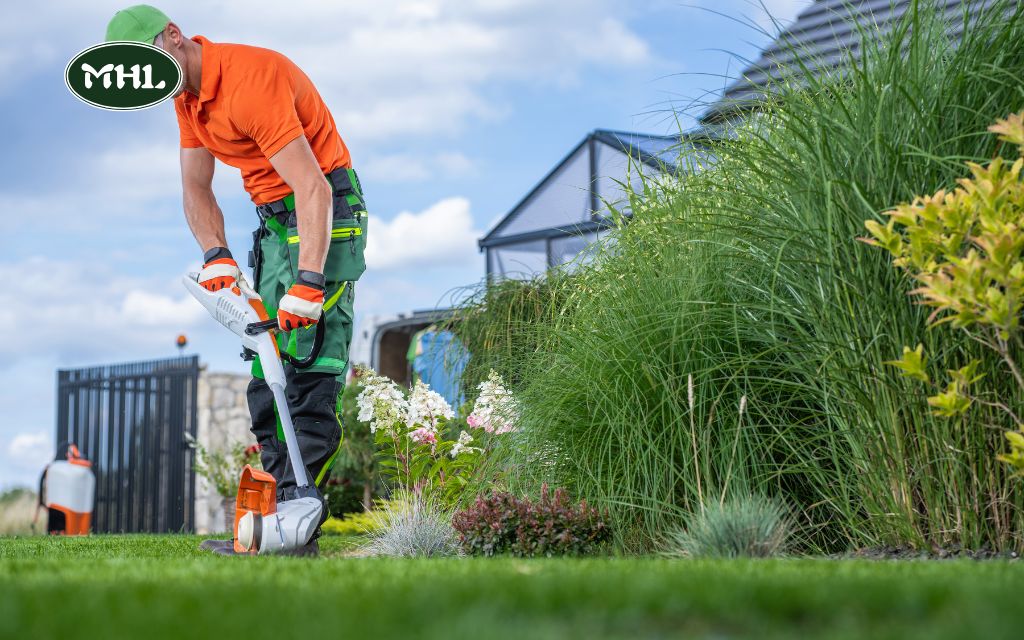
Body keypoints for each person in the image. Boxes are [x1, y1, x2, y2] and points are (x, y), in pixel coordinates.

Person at [106, 5, 367, 555]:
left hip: (325, 210)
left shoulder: (250, 80)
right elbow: (196, 188)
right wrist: (217, 255)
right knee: (267, 361)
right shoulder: (187, 99)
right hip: (273, 221)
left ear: (174, 37)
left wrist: (311, 280)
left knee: (310, 354)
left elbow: (314, 187)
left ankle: (300, 520)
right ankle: (278, 521)